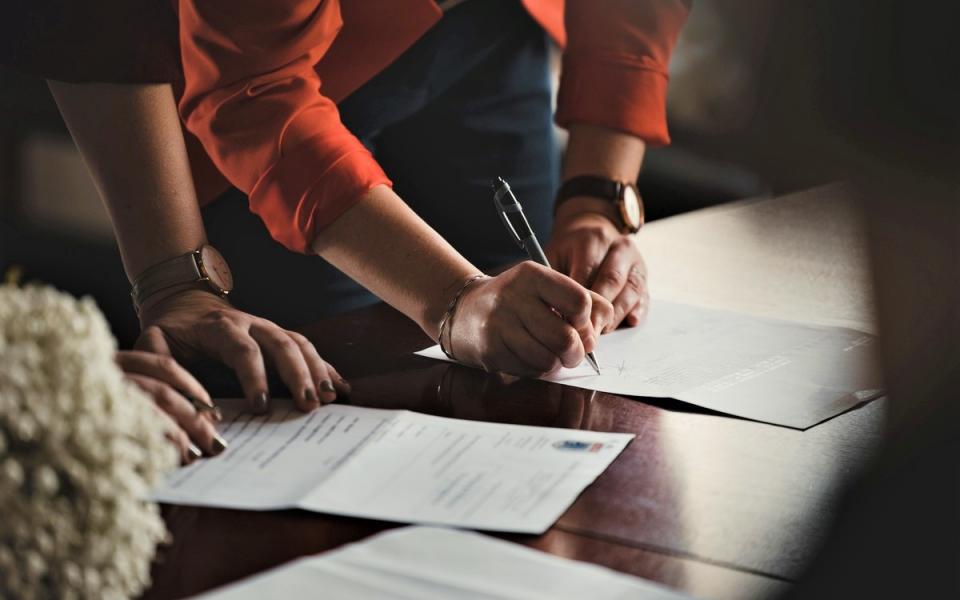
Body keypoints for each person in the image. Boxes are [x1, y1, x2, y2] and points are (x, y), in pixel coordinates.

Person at [135, 0, 688, 384]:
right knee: (333, 388)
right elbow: (256, 92)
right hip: (286, 85)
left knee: (526, 354)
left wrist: (596, 201)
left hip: (492, 32)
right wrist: (454, 297)